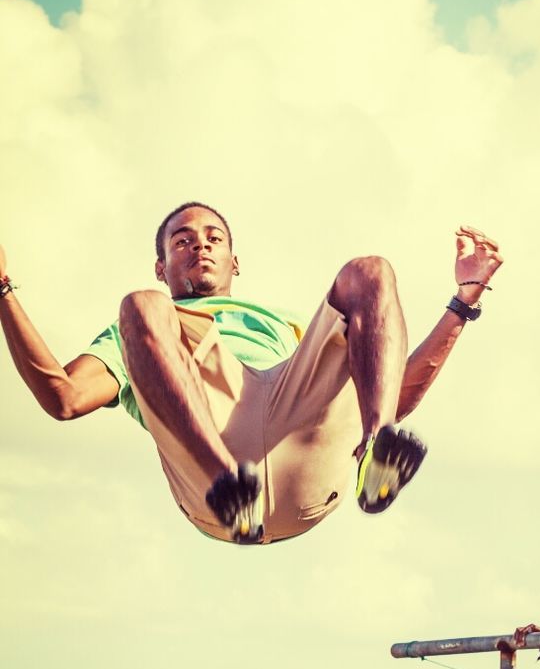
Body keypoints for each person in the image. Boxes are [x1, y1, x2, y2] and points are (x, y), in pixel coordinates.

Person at [0, 204, 503, 543]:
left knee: (369, 271)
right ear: (162, 265)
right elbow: (62, 398)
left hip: (300, 441)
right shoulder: (139, 330)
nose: (200, 246)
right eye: (182, 241)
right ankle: (229, 485)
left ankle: (375, 450)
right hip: (212, 467)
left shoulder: (285, 328)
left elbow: (395, 392)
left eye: (213, 238)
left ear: (234, 261)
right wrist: (3, 290)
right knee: (140, 306)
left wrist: (463, 302)